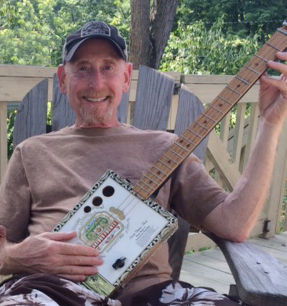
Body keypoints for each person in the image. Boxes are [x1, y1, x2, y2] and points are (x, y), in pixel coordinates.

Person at [0, 20, 286, 306]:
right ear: (63, 79)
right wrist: (16, 256)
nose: (96, 83)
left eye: (108, 67)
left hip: (153, 296)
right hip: (50, 290)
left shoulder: (166, 148)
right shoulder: (32, 152)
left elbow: (234, 225)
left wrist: (270, 123)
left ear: (125, 77)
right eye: (83, 68)